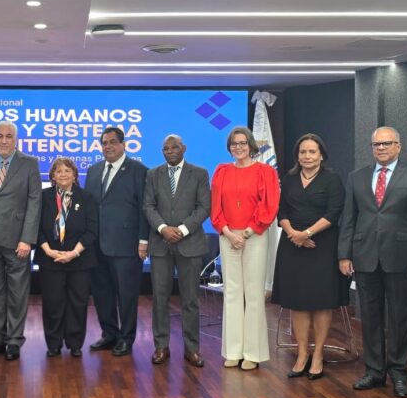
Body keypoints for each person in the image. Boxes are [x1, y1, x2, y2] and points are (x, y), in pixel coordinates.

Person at [339, 126, 407, 398]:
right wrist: (344, 255)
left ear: (398, 146)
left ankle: (398, 372)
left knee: (399, 318)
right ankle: (373, 371)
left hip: (403, 260)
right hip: (365, 258)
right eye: (376, 145)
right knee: (369, 318)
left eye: (387, 143)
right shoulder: (356, 178)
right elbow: (348, 220)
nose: (381, 148)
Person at [271, 134, 348, 380]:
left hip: (322, 245)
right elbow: (281, 210)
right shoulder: (289, 178)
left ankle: (318, 355)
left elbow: (334, 212)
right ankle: (302, 353)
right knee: (298, 301)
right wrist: (294, 233)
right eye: (303, 152)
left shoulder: (332, 179)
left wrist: (306, 233)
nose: (307, 156)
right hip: (292, 245)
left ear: (321, 154)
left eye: (312, 152)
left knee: (321, 302)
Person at [210, 126, 280, 370]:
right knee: (231, 293)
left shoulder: (265, 172)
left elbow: (269, 206)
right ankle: (233, 350)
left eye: (242, 142)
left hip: (255, 236)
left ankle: (252, 352)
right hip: (228, 236)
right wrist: (229, 233)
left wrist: (249, 232)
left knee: (252, 293)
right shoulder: (221, 171)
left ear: (251, 145)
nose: (238, 147)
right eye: (233, 143)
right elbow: (215, 209)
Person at [0, 122, 41, 361]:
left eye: (8, 136)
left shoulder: (30, 163)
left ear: (16, 140)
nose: (4, 140)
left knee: (17, 292)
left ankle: (14, 340)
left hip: (17, 241)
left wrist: (27, 239)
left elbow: (35, 201)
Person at [144, 134, 211, 368]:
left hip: (189, 244)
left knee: (190, 300)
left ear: (184, 148)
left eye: (174, 147)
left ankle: (192, 349)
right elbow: (148, 206)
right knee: (159, 298)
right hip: (160, 244)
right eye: (165, 148)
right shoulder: (153, 174)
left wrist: (182, 230)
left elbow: (204, 207)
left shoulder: (200, 173)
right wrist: (163, 228)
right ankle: (161, 346)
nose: (169, 151)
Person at [84, 127, 149, 356]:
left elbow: (145, 209)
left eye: (112, 142)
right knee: (102, 294)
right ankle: (109, 334)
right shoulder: (93, 170)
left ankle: (126, 338)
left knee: (127, 295)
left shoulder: (139, 171)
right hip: (97, 245)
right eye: (104, 143)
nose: (108, 146)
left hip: (126, 246)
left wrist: (143, 240)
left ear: (123, 144)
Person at [34, 158, 98, 357]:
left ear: (74, 175)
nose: (63, 174)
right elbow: (35, 226)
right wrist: (48, 250)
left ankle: (75, 344)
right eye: (58, 171)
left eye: (67, 170)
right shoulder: (43, 197)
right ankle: (53, 344)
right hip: (49, 259)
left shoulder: (86, 197)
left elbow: (92, 230)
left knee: (78, 303)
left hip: (79, 260)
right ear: (52, 176)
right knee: (52, 303)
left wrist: (74, 252)